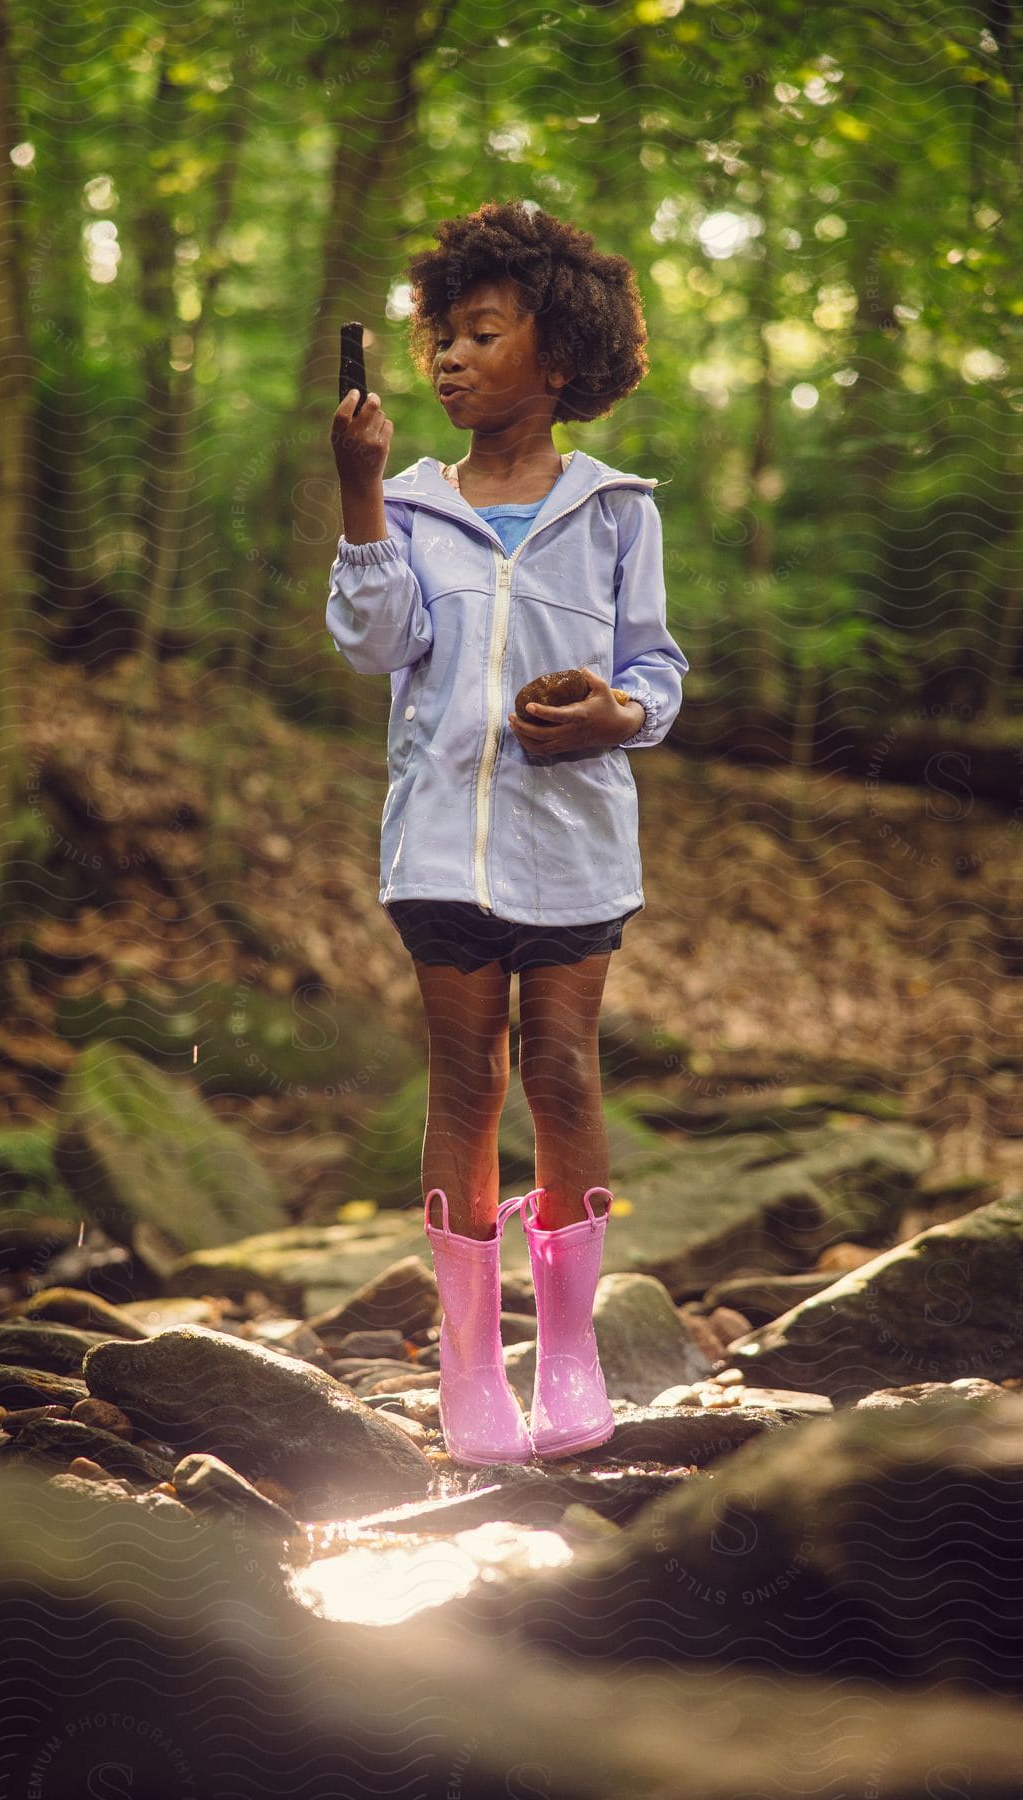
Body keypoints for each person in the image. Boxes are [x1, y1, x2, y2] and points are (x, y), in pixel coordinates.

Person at [326, 200, 689, 1467]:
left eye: (482, 333)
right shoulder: (415, 503)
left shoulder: (616, 509)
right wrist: (362, 495)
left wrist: (615, 713)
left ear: (563, 360)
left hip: (574, 843)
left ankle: (572, 1348)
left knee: (566, 1073)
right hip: (438, 844)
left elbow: (657, 669)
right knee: (465, 1081)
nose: (450, 358)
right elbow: (375, 644)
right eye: (442, 337)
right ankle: (473, 1369)